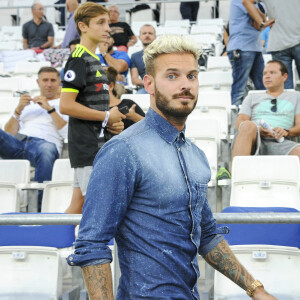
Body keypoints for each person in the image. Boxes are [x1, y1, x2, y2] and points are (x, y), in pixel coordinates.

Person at [67, 35, 277, 300]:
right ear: (149, 84)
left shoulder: (195, 155)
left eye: (191, 76)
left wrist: (256, 290)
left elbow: (208, 235)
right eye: (172, 76)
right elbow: (92, 244)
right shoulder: (123, 151)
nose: (184, 85)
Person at [59, 2, 125, 214]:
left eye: (108, 22)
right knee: (98, 209)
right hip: (88, 146)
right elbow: (66, 105)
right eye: (101, 22)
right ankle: (90, 248)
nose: (107, 28)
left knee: (77, 206)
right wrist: (106, 117)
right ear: (83, 26)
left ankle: (51, 241)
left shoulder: (92, 58)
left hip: (95, 142)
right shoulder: (79, 58)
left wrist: (110, 123)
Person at [0, 67, 68, 210]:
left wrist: (50, 109)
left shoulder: (64, 104)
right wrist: (18, 110)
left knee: (46, 150)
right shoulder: (27, 105)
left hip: (45, 144)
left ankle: (41, 209)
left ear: (59, 83)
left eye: (52, 80)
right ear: (38, 82)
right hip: (19, 142)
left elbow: (67, 134)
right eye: (45, 80)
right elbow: (9, 134)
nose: (48, 84)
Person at [232, 60, 300, 158]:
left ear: (284, 76)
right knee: (247, 125)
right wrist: (258, 129)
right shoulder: (252, 97)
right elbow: (239, 123)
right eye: (264, 74)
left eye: (272, 73)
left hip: (281, 142)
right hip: (255, 139)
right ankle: (236, 173)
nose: (267, 76)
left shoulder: (296, 96)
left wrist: (286, 131)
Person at [243, 0, 300, 89]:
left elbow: (246, 1)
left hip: (279, 42)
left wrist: (262, 23)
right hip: (293, 39)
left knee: (284, 92)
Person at [227, 0, 274, 106]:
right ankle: (236, 118)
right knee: (239, 89)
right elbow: (260, 23)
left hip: (254, 48)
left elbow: (260, 22)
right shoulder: (239, 1)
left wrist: (260, 18)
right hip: (242, 47)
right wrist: (262, 21)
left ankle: (265, 114)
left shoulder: (258, 3)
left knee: (262, 87)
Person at [130, 24, 156, 94]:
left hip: (162, 87)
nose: (147, 35)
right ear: (139, 37)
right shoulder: (135, 56)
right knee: (138, 95)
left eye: (150, 33)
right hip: (145, 88)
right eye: (144, 33)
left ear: (155, 37)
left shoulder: (162, 54)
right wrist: (149, 83)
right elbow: (134, 80)